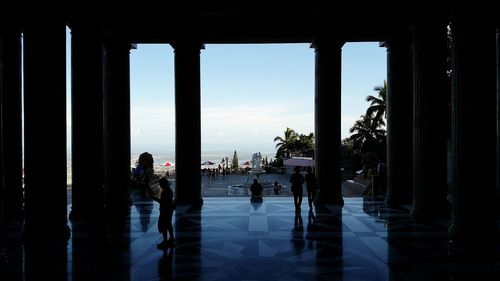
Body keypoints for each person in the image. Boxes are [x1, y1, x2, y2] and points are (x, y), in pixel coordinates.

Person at [152, 177, 176, 249]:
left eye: (160, 184)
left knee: (163, 226)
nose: (160, 185)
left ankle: (165, 241)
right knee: (168, 224)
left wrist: (155, 198)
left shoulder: (164, 192)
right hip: (169, 210)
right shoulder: (169, 191)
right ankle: (171, 238)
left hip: (164, 211)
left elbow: (163, 202)